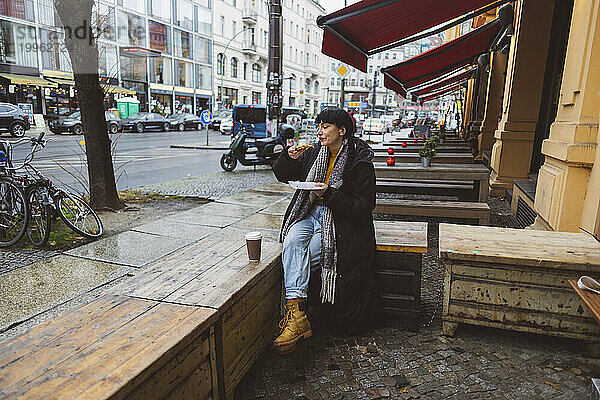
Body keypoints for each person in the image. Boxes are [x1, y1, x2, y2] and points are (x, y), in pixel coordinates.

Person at [271, 107, 377, 355]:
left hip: (339, 222)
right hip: (308, 214)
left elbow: (364, 206)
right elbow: (281, 175)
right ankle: (298, 316)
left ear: (342, 130)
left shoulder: (358, 160)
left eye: (325, 127)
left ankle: (296, 315)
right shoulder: (314, 153)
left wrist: (329, 194)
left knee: (304, 256)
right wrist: (289, 158)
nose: (319, 132)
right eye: (318, 126)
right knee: (292, 243)